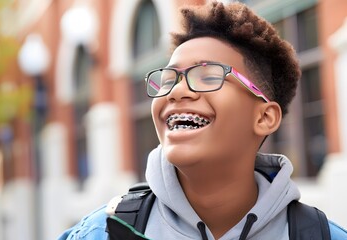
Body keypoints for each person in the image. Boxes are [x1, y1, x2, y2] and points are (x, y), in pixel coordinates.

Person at [59, 2, 347, 239]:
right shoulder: (101, 233)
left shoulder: (322, 236)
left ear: (264, 117)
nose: (176, 91)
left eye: (208, 75)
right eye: (168, 78)